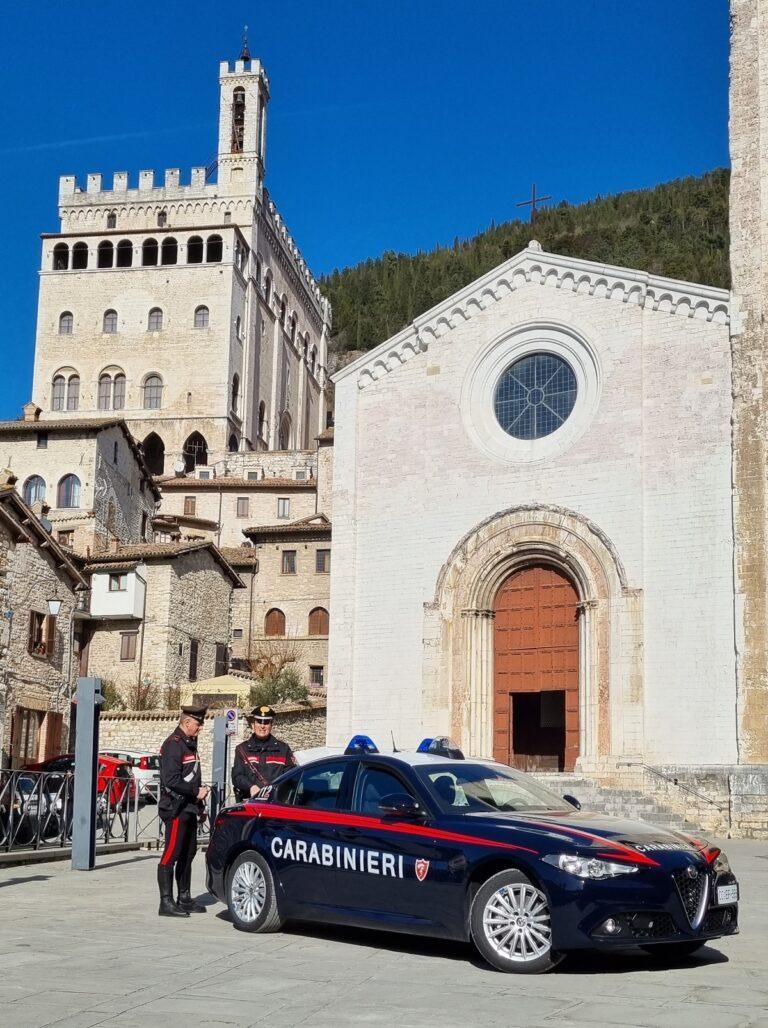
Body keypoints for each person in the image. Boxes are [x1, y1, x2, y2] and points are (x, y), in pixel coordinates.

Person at [157, 705, 210, 917]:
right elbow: (171, 780)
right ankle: (166, 903)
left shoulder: (189, 745)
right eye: (197, 724)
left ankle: (184, 898)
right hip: (176, 807)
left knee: (188, 854)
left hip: (189, 807)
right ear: (187, 722)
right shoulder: (173, 745)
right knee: (171, 854)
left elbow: (192, 775)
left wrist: (199, 805)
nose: (200, 729)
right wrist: (196, 791)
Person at [232, 705, 296, 802]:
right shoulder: (242, 749)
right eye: (259, 722)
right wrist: (251, 786)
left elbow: (291, 776)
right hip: (250, 804)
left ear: (271, 725)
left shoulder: (283, 749)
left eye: (266, 722)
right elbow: (237, 776)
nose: (262, 726)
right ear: (253, 725)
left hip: (275, 804)